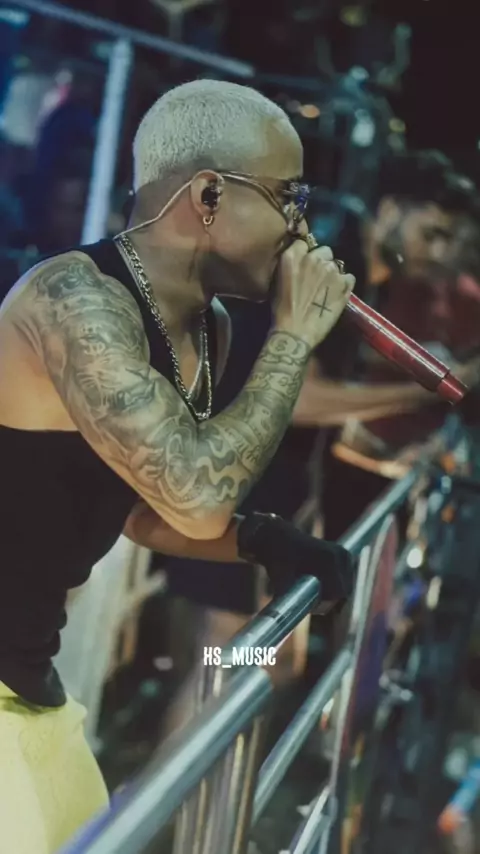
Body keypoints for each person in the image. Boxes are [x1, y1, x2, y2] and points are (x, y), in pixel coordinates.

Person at [0, 79, 355, 854]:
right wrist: (293, 339)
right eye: (290, 198)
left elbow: (145, 506)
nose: (301, 228)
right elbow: (195, 496)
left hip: (28, 676)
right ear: (208, 196)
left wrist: (261, 540)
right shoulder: (73, 299)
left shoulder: (207, 326)